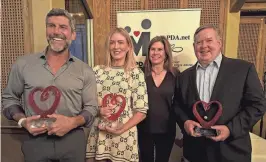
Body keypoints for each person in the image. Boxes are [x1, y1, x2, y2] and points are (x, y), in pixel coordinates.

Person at [2, 8, 98, 162]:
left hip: (73, 141)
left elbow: (91, 108)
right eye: (51, 26)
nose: (56, 31)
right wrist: (22, 120)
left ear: (73, 34)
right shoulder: (23, 65)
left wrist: (71, 122)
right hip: (35, 142)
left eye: (63, 27)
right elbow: (9, 99)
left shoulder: (85, 70)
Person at [173, 24, 266, 162]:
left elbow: (258, 105)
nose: (204, 46)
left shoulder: (243, 69)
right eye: (199, 42)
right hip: (195, 153)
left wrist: (230, 129)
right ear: (194, 47)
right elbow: (177, 105)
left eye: (209, 40)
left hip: (232, 152)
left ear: (219, 43)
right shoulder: (184, 77)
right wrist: (185, 122)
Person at [86, 27, 148, 162]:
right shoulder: (96, 71)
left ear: (128, 46)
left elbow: (141, 111)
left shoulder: (136, 74)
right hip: (99, 136)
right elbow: (86, 102)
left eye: (120, 42)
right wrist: (98, 110)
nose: (116, 47)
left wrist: (121, 129)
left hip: (124, 137)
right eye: (112, 42)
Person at [137, 36, 178, 162]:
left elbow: (179, 103)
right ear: (148, 52)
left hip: (167, 129)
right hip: (144, 128)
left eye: (160, 49)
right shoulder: (139, 74)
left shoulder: (175, 75)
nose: (155, 53)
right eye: (152, 49)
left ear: (166, 53)